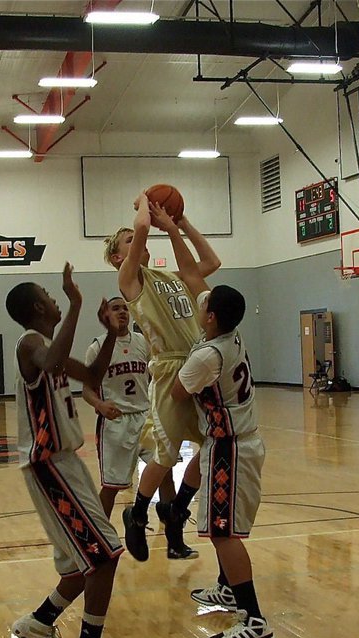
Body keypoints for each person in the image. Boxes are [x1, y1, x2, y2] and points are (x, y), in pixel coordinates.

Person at [5, 264, 130, 638]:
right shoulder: (30, 344)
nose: (55, 298)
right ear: (39, 306)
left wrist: (110, 333)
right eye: (50, 294)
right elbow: (54, 359)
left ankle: (39, 623)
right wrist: (76, 303)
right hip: (48, 465)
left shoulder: (47, 344)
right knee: (104, 555)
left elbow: (92, 377)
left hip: (66, 463)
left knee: (85, 563)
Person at [105, 192, 221, 561]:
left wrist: (182, 222)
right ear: (117, 257)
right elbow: (141, 225)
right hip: (170, 370)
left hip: (198, 364)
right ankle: (137, 513)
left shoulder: (171, 277)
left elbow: (211, 261)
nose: (138, 239)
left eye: (134, 238)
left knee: (215, 446)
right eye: (128, 242)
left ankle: (177, 510)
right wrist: (143, 201)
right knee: (166, 454)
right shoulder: (131, 281)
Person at [169, 255, 273, 638]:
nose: (200, 307)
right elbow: (197, 280)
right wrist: (174, 226)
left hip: (232, 447)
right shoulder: (233, 336)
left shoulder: (206, 356)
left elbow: (178, 392)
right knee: (218, 529)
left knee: (224, 533)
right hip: (228, 442)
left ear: (210, 317)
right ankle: (228, 588)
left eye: (204, 308)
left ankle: (255, 619)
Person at [81, 298, 184, 557]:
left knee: (165, 472)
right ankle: (100, 536)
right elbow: (86, 389)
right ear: (105, 315)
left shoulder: (142, 342)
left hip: (145, 417)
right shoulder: (97, 348)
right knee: (113, 486)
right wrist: (100, 405)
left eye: (124, 308)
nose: (122, 312)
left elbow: (155, 376)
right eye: (115, 308)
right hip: (116, 422)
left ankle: (174, 536)